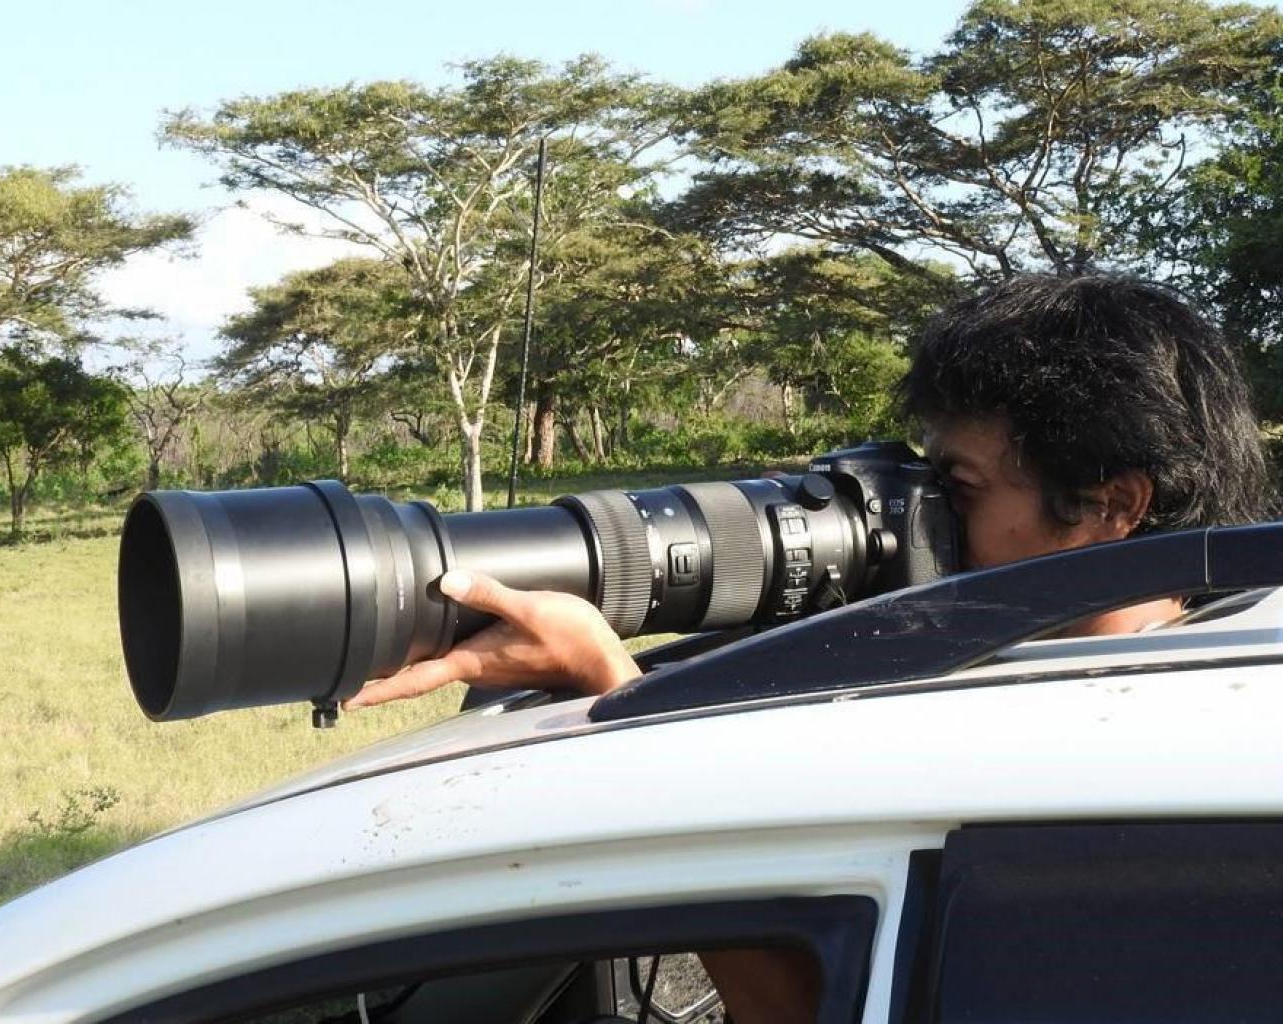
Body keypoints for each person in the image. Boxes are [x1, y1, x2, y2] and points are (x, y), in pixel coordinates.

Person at [342, 273, 1275, 1022]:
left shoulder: (1124, 763)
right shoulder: (1211, 645)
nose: (922, 516)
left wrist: (609, 683)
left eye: (958, 489)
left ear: (1114, 503)